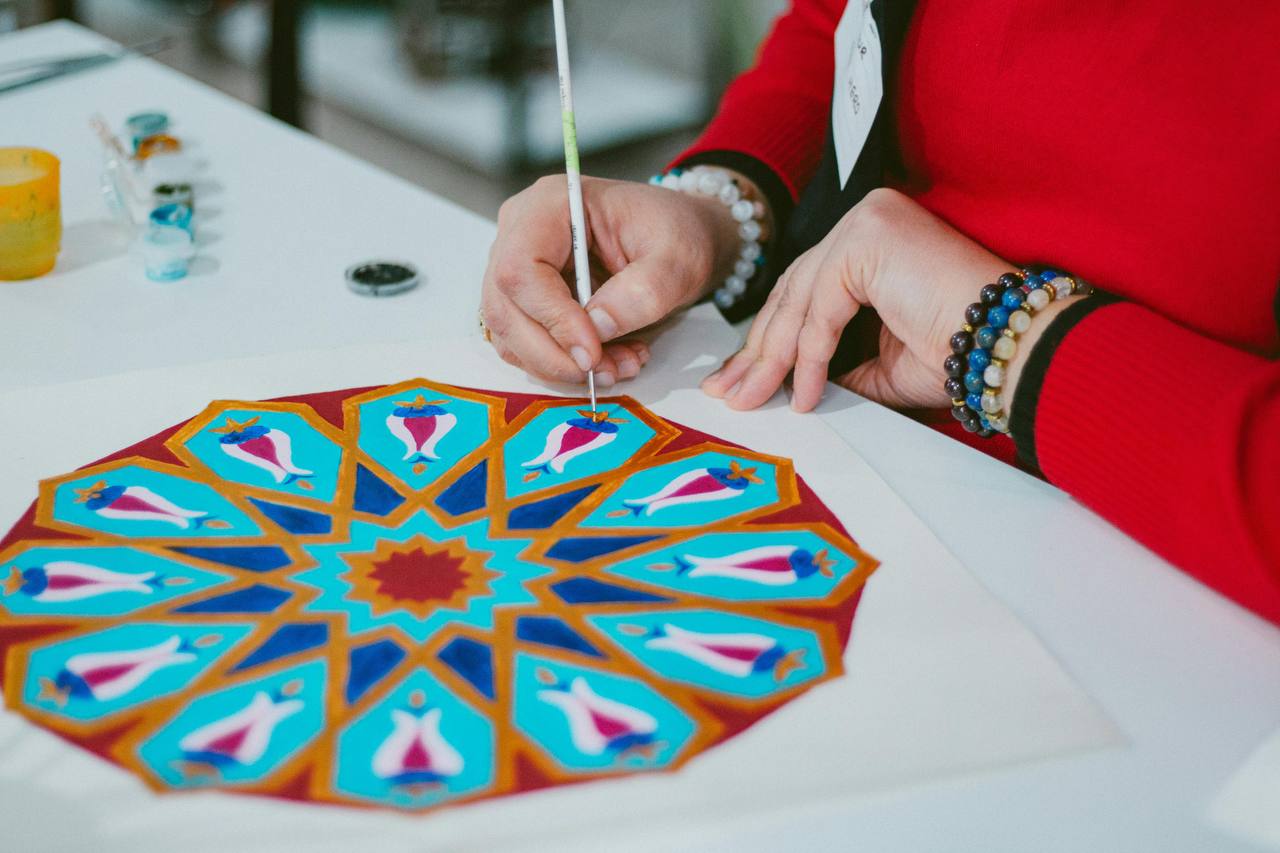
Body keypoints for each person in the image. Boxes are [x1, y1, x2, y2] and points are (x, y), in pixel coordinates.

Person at [479, 0, 1279, 623]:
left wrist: (1009, 339)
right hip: (836, 472)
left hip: (1145, 603)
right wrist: (720, 210)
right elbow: (840, 28)